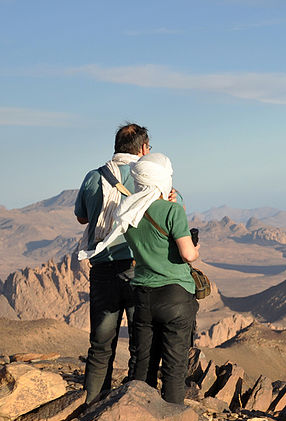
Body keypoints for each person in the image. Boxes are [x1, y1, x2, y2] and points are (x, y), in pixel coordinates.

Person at [83, 152, 199, 404]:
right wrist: (194, 243)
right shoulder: (172, 210)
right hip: (176, 295)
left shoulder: (127, 213)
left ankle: (137, 415)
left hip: (144, 296)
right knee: (174, 367)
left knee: (142, 365)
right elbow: (188, 254)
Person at [75, 123, 150, 403]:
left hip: (103, 268)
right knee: (140, 345)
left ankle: (91, 405)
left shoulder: (93, 177)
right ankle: (136, 406)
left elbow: (82, 217)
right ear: (143, 149)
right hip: (137, 268)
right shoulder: (148, 179)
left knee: (100, 344)